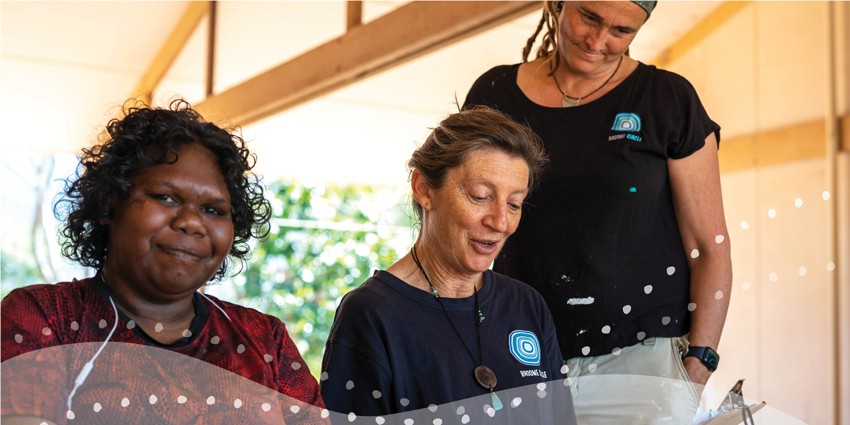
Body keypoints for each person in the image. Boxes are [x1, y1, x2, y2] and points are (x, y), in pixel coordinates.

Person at [463, 1, 732, 423]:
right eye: (588, 16)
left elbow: (709, 246)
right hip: (521, 355)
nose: (598, 41)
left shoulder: (666, 99)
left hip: (640, 368)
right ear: (558, 4)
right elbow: (463, 222)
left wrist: (697, 364)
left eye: (622, 31)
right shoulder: (494, 95)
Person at [1, 99, 325, 424]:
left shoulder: (264, 339)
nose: (192, 222)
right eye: (165, 197)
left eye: (213, 210)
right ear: (109, 204)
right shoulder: (46, 318)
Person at [320, 107, 575, 424]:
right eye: (480, 196)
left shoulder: (526, 304)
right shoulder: (372, 314)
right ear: (424, 189)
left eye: (514, 204)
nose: (500, 222)